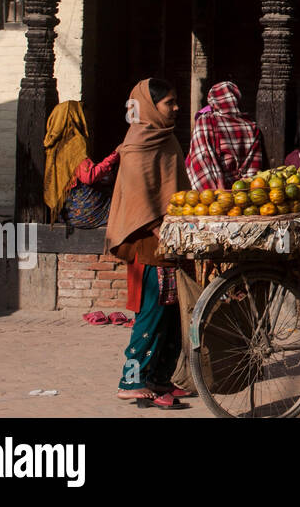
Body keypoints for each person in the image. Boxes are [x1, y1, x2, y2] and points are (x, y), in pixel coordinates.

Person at [106, 78, 190, 409]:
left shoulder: (166, 139)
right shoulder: (136, 145)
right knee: (150, 316)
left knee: (171, 317)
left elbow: (176, 187)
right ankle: (130, 380)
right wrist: (159, 227)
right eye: (170, 103)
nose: (176, 108)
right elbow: (140, 197)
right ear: (152, 107)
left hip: (169, 240)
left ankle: (158, 378)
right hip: (147, 243)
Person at [44, 100, 120, 228]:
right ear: (75, 117)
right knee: (123, 205)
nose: (86, 120)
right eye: (82, 115)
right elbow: (89, 176)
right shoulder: (74, 142)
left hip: (65, 214)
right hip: (84, 212)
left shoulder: (54, 144)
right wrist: (114, 156)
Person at [185, 81, 266, 196]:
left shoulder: (206, 121)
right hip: (239, 197)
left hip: (212, 197)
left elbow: (202, 158)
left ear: (212, 101)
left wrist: (213, 195)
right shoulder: (251, 127)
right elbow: (253, 171)